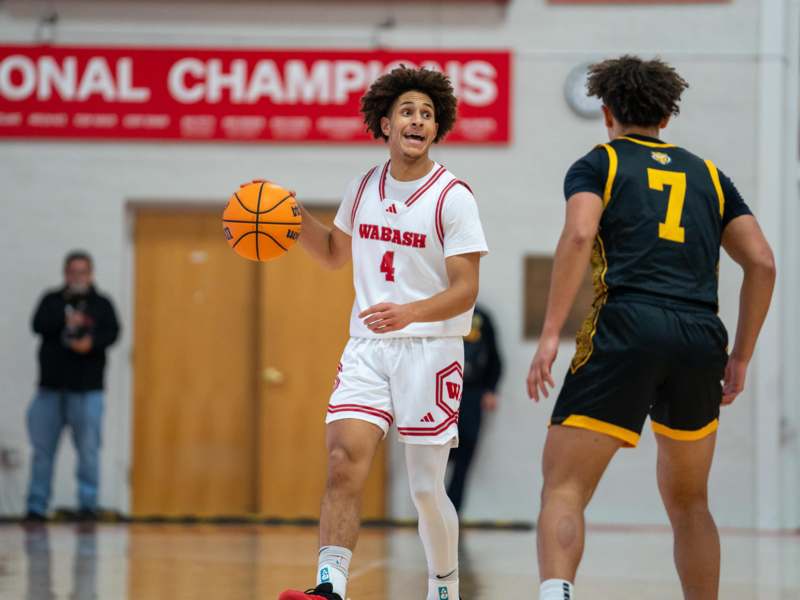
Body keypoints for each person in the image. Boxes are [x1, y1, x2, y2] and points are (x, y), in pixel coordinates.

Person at [526, 55, 776, 600]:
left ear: (607, 112)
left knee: (564, 489)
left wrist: (549, 334)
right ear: (667, 116)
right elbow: (762, 263)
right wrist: (741, 357)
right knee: (691, 504)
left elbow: (576, 235)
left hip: (627, 326)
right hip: (699, 334)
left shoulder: (601, 162)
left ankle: (557, 594)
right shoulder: (710, 175)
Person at [279, 66, 489, 600]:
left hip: (431, 348)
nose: (418, 119)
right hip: (368, 347)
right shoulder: (363, 187)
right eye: (408, 111)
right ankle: (330, 587)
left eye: (427, 113)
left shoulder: (453, 197)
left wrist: (411, 312)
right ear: (386, 123)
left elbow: (466, 289)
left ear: (436, 129)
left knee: (423, 489)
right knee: (342, 460)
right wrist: (294, 215)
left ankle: (444, 587)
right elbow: (332, 255)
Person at [26, 251, 120, 521]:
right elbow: (37, 325)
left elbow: (112, 333)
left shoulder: (101, 304)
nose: (77, 277)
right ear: (65, 273)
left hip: (87, 390)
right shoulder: (52, 301)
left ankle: (88, 506)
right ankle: (36, 506)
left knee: (89, 450)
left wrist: (91, 343)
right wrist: (64, 322)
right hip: (50, 389)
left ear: (90, 274)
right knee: (43, 451)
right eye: (73, 272)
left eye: (83, 272)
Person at [447, 304, 502, 514]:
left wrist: (490, 389)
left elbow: (495, 358)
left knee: (464, 455)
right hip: (440, 392)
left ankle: (453, 511)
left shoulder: (481, 317)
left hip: (471, 393)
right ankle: (432, 510)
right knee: (434, 454)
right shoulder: (437, 313)